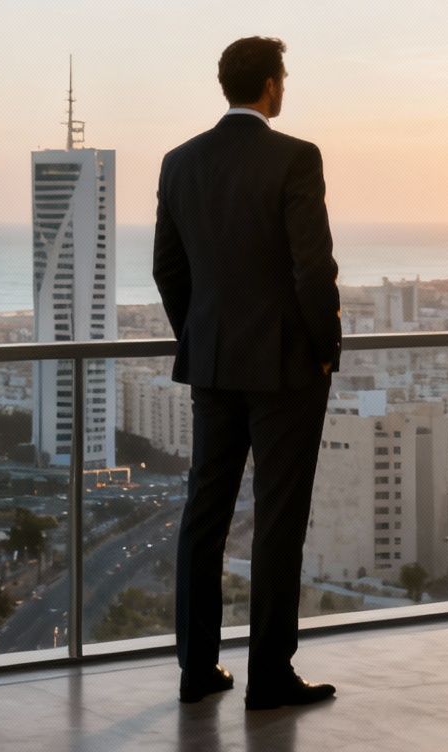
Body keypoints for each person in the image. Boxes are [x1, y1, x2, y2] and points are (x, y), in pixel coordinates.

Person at [154, 35, 342, 711]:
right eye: (282, 80)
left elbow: (168, 271)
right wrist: (325, 347)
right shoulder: (296, 157)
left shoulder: (179, 163)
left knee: (204, 516)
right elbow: (311, 267)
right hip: (288, 366)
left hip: (212, 363)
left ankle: (197, 670)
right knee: (277, 521)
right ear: (269, 87)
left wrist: (201, 336)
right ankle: (270, 677)